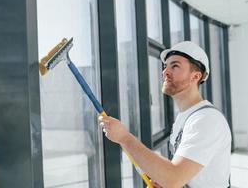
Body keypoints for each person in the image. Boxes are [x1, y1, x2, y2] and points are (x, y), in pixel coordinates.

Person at [99, 41, 232, 188]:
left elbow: (173, 178)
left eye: (175, 66)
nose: (165, 72)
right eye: (165, 66)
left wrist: (125, 138)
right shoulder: (185, 117)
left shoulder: (206, 120)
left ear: (195, 77)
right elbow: (181, 176)